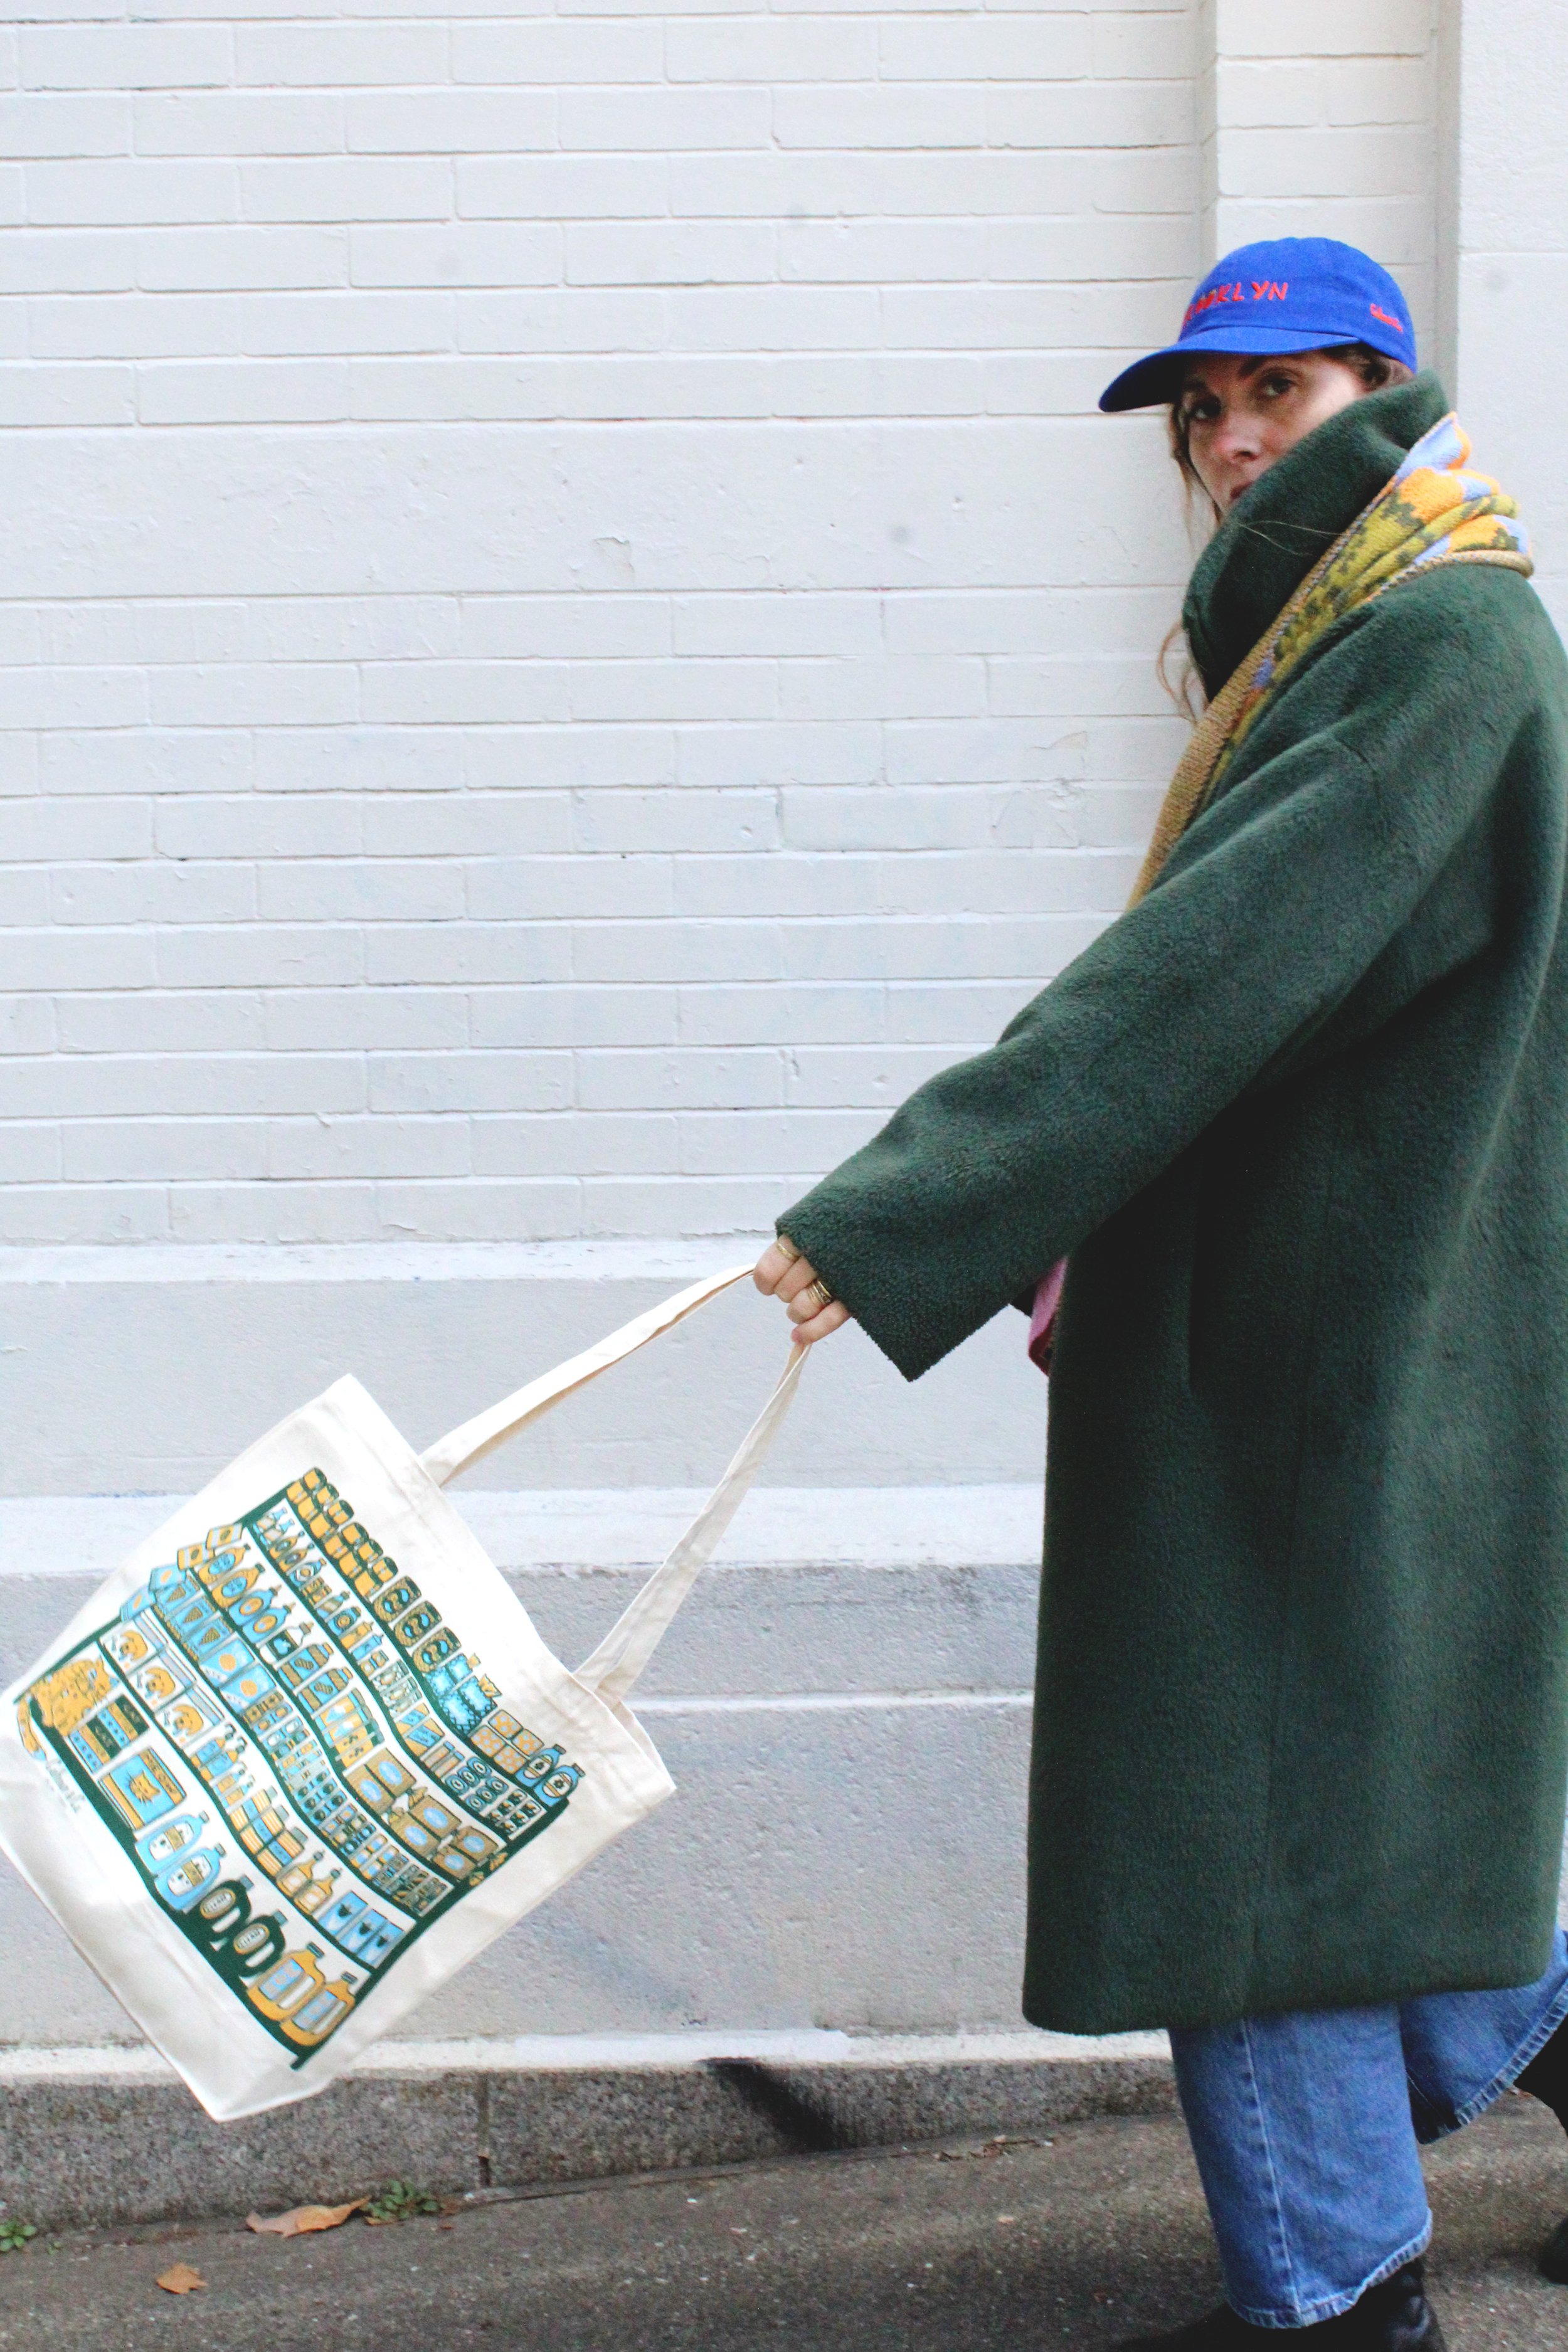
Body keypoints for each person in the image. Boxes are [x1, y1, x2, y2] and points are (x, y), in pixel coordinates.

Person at [754, 236, 1568, 2346]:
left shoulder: (1428, 642)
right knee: (1346, 1782)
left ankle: (1339, 2299)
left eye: (1269, 397)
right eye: (1200, 411)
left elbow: (1199, 979)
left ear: (1378, 388)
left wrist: (903, 1209)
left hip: (1316, 1337)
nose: (1222, 445)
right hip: (1336, 1313)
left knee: (1241, 1826)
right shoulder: (1371, 628)